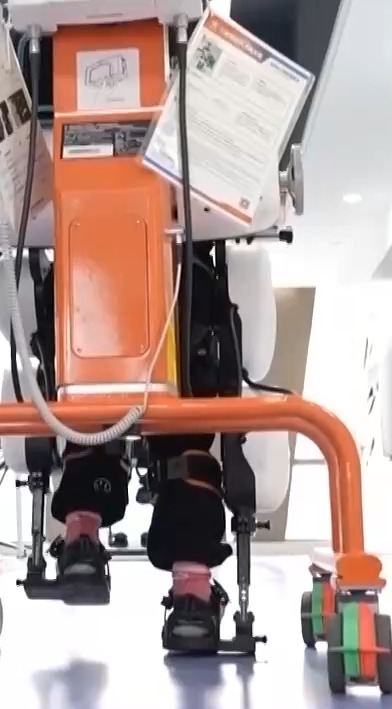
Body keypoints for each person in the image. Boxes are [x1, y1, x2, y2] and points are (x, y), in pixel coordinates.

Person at [47, 247, 248, 649]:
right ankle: (192, 597)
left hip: (85, 283)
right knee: (185, 441)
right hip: (178, 288)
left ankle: (81, 542)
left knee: (90, 414)